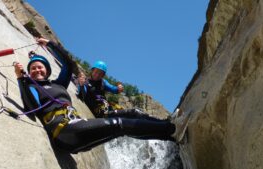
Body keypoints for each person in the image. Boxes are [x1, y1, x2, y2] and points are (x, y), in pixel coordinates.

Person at [14, 37, 188, 154]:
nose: (37, 69)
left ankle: (170, 135)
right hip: (63, 130)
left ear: (47, 70)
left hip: (75, 127)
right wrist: (21, 79)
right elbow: (31, 109)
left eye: (40, 66)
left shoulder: (58, 84)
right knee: (120, 124)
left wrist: (50, 44)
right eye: (33, 68)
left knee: (123, 128)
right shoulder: (32, 87)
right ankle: (171, 129)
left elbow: (68, 63)